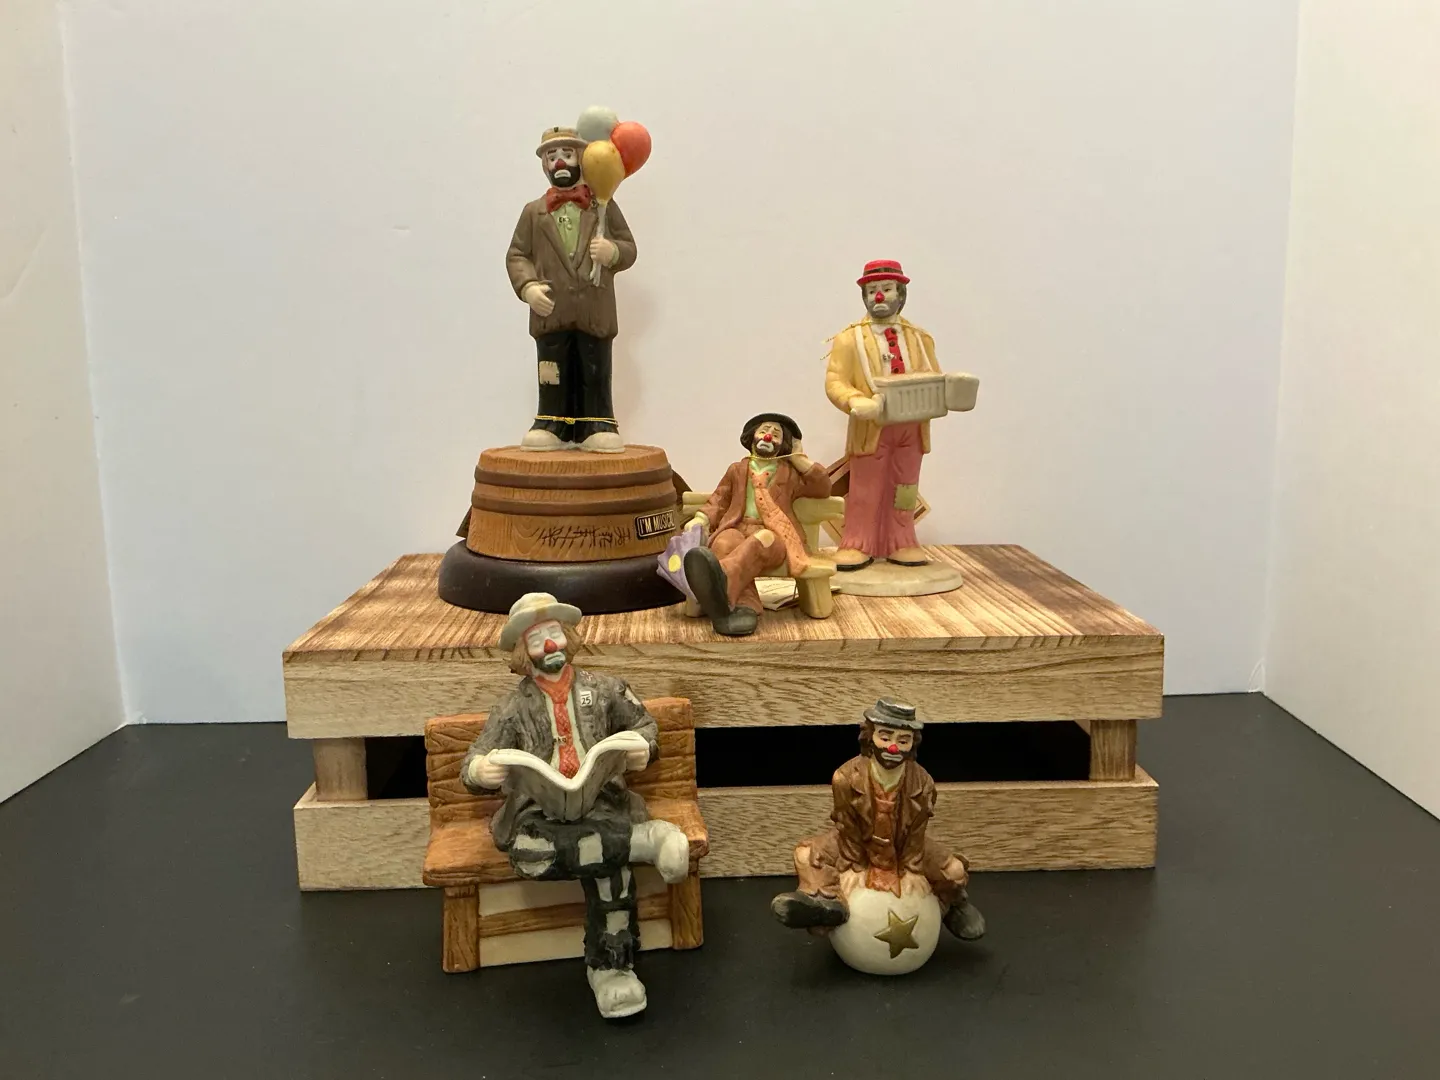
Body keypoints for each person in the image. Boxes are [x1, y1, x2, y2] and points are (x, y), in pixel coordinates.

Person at [460, 592, 689, 1018]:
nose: (550, 645)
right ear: (522, 652)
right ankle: (644, 842)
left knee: (610, 871)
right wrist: (481, 770)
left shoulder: (606, 689)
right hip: (539, 816)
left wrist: (643, 746)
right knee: (531, 854)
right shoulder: (511, 707)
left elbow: (646, 726)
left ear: (568, 636)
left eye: (554, 633)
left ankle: (612, 969)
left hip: (601, 802)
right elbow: (473, 758)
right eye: (537, 639)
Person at [770, 698, 985, 941]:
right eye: (885, 737)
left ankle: (950, 906)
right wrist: (853, 865)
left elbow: (917, 831)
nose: (893, 747)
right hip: (856, 844)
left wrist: (912, 868)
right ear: (870, 737)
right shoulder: (845, 777)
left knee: (954, 870)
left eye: (903, 741)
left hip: (904, 846)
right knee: (806, 854)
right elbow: (846, 824)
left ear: (912, 744)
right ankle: (825, 904)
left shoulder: (923, 783)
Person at [506, 126, 638, 452]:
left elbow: (629, 248)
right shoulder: (533, 212)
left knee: (595, 368)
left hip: (594, 309)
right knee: (552, 369)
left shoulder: (602, 206)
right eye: (552, 156)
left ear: (582, 158)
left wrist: (612, 252)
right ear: (544, 164)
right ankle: (552, 423)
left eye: (567, 154)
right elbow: (517, 255)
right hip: (551, 310)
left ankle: (598, 423)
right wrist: (528, 287)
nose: (560, 162)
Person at [823, 259, 940, 569]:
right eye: (872, 289)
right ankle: (857, 542)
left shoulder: (920, 338)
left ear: (900, 294)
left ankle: (901, 540)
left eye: (886, 289)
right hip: (872, 427)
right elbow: (835, 381)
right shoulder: (849, 339)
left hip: (912, 427)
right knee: (865, 487)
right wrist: (854, 401)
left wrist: (951, 393)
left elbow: (934, 376)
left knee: (905, 487)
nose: (879, 296)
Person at [682, 413, 832, 636]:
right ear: (752, 436)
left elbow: (822, 488)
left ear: (784, 444)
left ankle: (718, 582)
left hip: (774, 533)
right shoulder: (737, 470)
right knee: (723, 542)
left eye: (776, 434)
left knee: (760, 540)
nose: (768, 436)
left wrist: (799, 458)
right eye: (764, 430)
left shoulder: (790, 473)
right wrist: (701, 518)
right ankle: (743, 606)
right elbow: (719, 499)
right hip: (737, 526)